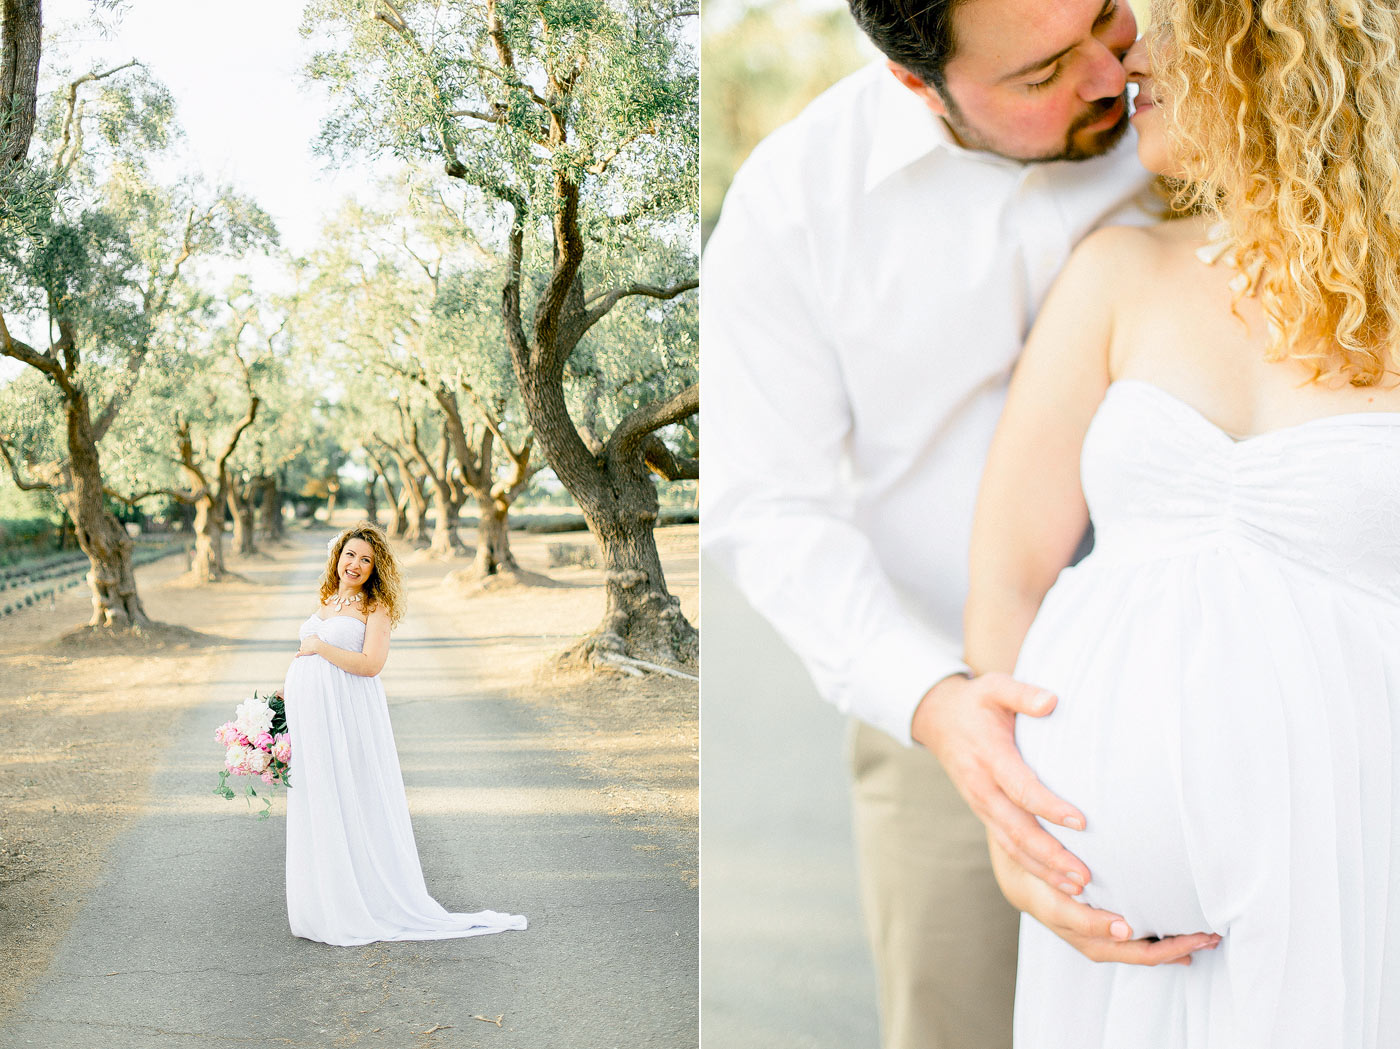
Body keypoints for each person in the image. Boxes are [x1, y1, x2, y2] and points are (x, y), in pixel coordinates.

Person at [702, 0, 1217, 1043]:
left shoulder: (1190, 103)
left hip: (1216, 692)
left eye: (1105, 20)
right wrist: (935, 704)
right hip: (948, 704)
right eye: (1039, 77)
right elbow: (770, 506)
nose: (1104, 77)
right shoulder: (795, 206)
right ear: (914, 81)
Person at [964, 5, 1400, 1044]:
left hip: (1357, 878)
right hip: (1114, 940)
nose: (1135, 56)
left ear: (1286, 54)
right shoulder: (1117, 273)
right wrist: (1010, 823)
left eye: (1176, 27)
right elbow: (1008, 575)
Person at [283, 522, 527, 946]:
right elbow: (306, 655)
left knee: (352, 800)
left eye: (365, 559)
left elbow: (370, 664)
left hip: (351, 720)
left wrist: (320, 649)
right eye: (349, 555)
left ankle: (364, 901)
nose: (355, 564)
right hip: (317, 726)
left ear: (376, 568)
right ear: (336, 556)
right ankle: (325, 903)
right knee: (322, 802)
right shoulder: (326, 600)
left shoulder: (375, 608)